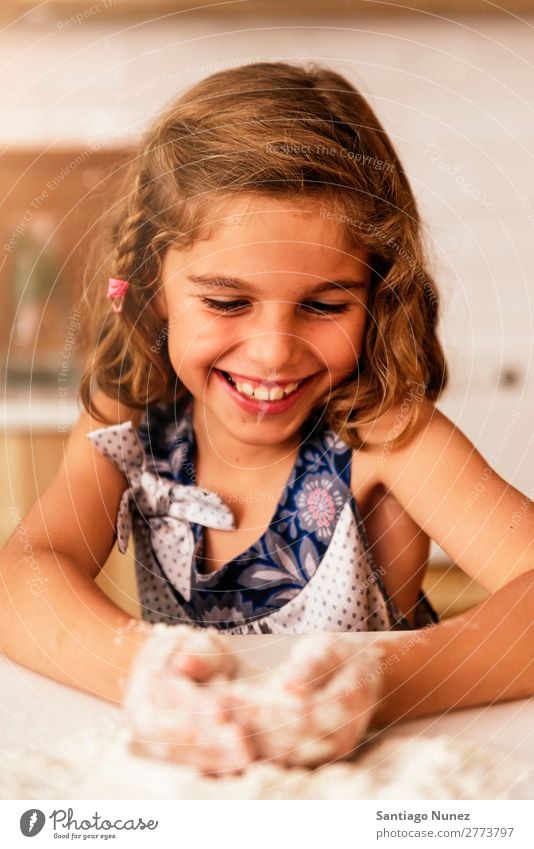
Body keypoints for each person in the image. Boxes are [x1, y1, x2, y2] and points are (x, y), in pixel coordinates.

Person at [0, 62, 532, 774]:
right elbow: (24, 575)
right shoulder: (130, 422)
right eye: (226, 302)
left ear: (378, 293)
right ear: (155, 286)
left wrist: (379, 680)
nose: (274, 352)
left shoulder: (386, 436)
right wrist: (141, 671)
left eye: (324, 304)